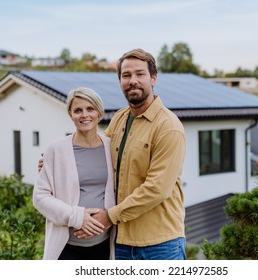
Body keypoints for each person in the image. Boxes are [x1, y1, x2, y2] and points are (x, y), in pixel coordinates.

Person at [75, 48, 186, 260]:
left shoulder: (168, 127)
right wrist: (58, 160)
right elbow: (96, 153)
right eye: (126, 75)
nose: (132, 80)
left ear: (153, 78)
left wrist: (108, 217)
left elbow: (157, 189)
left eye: (140, 74)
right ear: (120, 81)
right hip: (120, 242)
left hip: (160, 245)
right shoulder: (119, 118)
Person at [33, 87, 116, 260]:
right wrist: (77, 217)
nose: (84, 115)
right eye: (78, 110)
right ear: (70, 114)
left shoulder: (112, 148)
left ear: (99, 112)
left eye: (90, 109)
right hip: (66, 247)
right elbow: (40, 197)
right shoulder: (56, 149)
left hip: (104, 247)